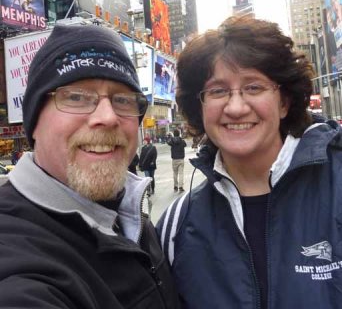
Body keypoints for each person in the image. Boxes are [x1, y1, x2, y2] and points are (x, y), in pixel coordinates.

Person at [157, 16, 342, 309]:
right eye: (217, 91)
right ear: (200, 106)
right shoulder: (175, 228)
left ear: (284, 102)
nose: (236, 107)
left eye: (254, 87)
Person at [0, 24, 179, 309]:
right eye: (76, 97)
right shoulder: (16, 257)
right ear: (33, 123)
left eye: (122, 99)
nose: (108, 117)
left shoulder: (132, 215)